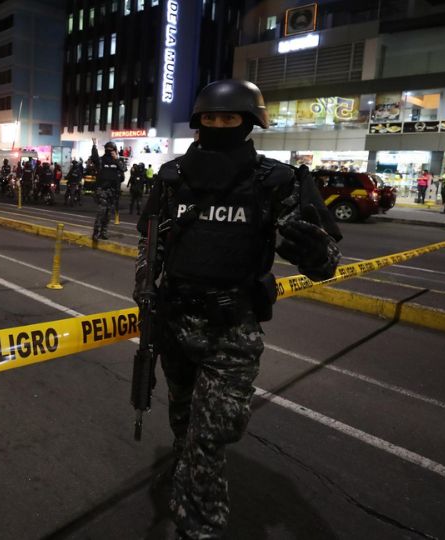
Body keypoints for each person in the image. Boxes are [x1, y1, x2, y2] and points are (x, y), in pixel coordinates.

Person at [134, 79, 341, 540]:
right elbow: (152, 247)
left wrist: (314, 254)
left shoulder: (275, 182)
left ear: (249, 123)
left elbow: (325, 261)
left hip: (233, 331)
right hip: (176, 322)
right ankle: (186, 471)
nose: (220, 125)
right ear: (198, 122)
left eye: (230, 118)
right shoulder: (172, 178)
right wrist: (145, 294)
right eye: (212, 118)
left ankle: (199, 525)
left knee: (214, 433)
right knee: (184, 419)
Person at [91, 140, 126, 240]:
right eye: (108, 149)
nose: (110, 151)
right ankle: (96, 233)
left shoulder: (118, 162)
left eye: (112, 150)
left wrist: (117, 159)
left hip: (113, 191)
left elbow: (123, 169)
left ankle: (104, 232)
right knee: (101, 211)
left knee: (108, 213)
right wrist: (94, 145)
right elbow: (94, 158)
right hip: (102, 190)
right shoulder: (101, 160)